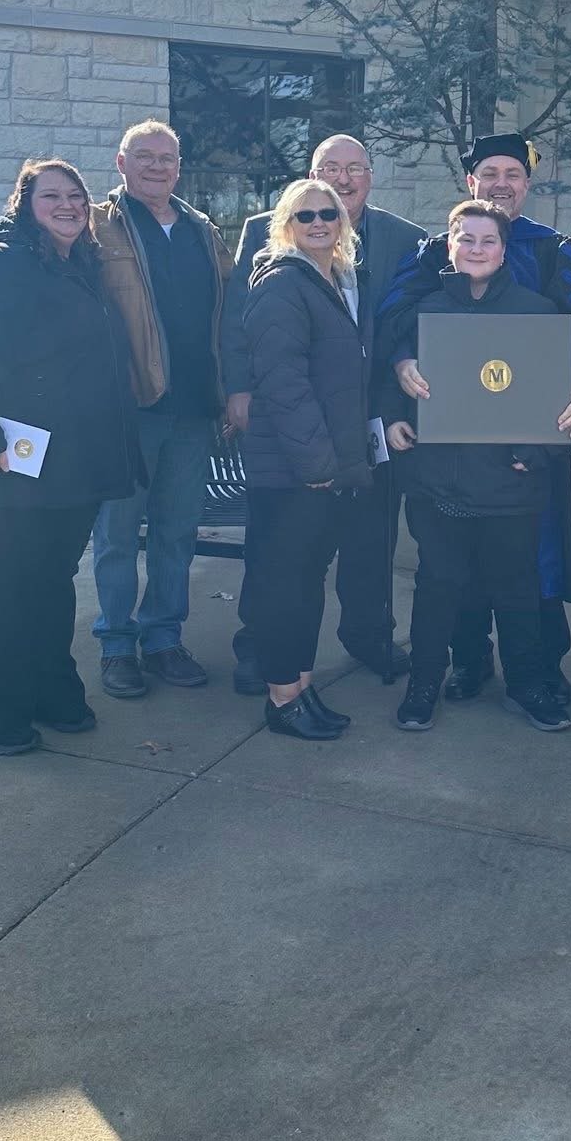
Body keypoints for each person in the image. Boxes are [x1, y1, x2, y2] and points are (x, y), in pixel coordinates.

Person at [0, 120, 236, 703]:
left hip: (195, 408)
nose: (157, 167)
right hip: (126, 411)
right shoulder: (99, 223)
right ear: (120, 164)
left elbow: (232, 302)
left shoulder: (203, 230)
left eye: (168, 158)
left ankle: (164, 639)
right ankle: (117, 646)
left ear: (180, 166)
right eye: (143, 156)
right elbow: (22, 242)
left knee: (177, 534)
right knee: (117, 536)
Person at [380, 133, 571, 701]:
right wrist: (401, 360)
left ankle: (541, 668)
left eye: (513, 173)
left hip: (525, 450)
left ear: (526, 185)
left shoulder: (552, 253)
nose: (501, 183)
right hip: (451, 452)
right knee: (454, 565)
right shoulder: (436, 253)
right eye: (489, 173)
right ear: (471, 183)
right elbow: (393, 325)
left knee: (532, 561)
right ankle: (469, 661)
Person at [0, 160, 140, 756]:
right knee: (7, 582)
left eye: (76, 196)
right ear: (25, 203)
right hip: (1, 459)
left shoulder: (80, 264)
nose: (68, 205)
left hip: (67, 462)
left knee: (50, 579)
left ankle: (46, 690)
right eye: (52, 196)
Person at [224, 136, 424, 689]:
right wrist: (239, 387)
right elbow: (240, 318)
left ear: (370, 177)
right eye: (329, 168)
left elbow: (406, 329)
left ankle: (367, 634)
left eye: (354, 168)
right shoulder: (272, 236)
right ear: (308, 177)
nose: (342, 178)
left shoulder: (406, 239)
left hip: (373, 420)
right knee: (281, 548)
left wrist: (397, 408)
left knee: (369, 541)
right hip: (299, 425)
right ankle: (260, 648)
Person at [385, 202, 571, 735]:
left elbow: (557, 399)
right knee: (438, 585)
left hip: (512, 482)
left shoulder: (537, 312)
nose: (475, 248)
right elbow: (389, 373)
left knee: (516, 589)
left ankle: (528, 685)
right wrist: (395, 417)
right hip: (437, 479)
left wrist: (537, 452)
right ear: (449, 244)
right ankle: (424, 683)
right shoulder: (420, 313)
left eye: (487, 240)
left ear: (503, 248)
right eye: (465, 239)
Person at [239, 179, 374, 741]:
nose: (318, 223)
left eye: (328, 214)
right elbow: (284, 385)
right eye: (304, 216)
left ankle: (300, 684)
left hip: (321, 470)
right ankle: (281, 697)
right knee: (283, 585)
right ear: (285, 226)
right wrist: (318, 467)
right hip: (294, 474)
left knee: (305, 582)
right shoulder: (282, 285)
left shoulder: (330, 281)